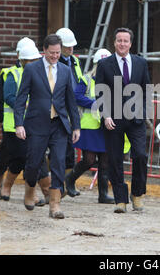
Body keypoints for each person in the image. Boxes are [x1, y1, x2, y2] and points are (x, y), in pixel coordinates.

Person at [14, 34, 81, 219]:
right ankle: (29, 191)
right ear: (44, 51)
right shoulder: (32, 69)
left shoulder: (65, 71)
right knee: (34, 162)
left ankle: (55, 204)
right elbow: (21, 98)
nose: (55, 56)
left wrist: (76, 126)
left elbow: (70, 101)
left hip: (58, 125)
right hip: (36, 124)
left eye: (58, 53)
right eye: (51, 53)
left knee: (59, 162)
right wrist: (19, 124)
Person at [95, 27, 151, 213]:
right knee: (115, 159)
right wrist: (106, 114)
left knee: (140, 155)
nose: (122, 44)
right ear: (114, 42)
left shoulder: (141, 63)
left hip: (136, 118)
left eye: (125, 41)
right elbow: (100, 92)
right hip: (114, 118)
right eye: (119, 40)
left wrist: (142, 110)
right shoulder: (104, 65)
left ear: (131, 43)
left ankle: (137, 194)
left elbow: (146, 89)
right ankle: (120, 199)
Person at [0, 44, 51, 206]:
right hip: (15, 124)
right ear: (23, 60)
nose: (34, 63)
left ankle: (43, 192)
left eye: (36, 60)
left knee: (37, 158)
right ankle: (7, 186)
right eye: (31, 60)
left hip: (35, 123)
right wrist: (26, 105)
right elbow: (9, 97)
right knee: (21, 158)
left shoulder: (41, 73)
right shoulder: (12, 74)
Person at [65, 48, 115, 204]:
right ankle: (70, 180)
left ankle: (103, 194)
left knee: (105, 161)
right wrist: (95, 103)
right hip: (90, 126)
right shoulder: (86, 79)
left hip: (105, 126)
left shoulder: (113, 81)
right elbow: (76, 96)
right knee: (89, 159)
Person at [0, 36, 36, 199]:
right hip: (12, 124)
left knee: (24, 156)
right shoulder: (10, 73)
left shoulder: (36, 72)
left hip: (30, 123)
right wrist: (4, 120)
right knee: (8, 155)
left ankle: (20, 190)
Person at [54, 27, 83, 186]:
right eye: (67, 46)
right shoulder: (54, 61)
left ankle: (65, 184)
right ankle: (56, 182)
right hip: (58, 109)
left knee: (69, 148)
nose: (71, 49)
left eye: (72, 46)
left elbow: (78, 82)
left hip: (71, 108)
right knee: (59, 148)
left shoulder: (75, 61)